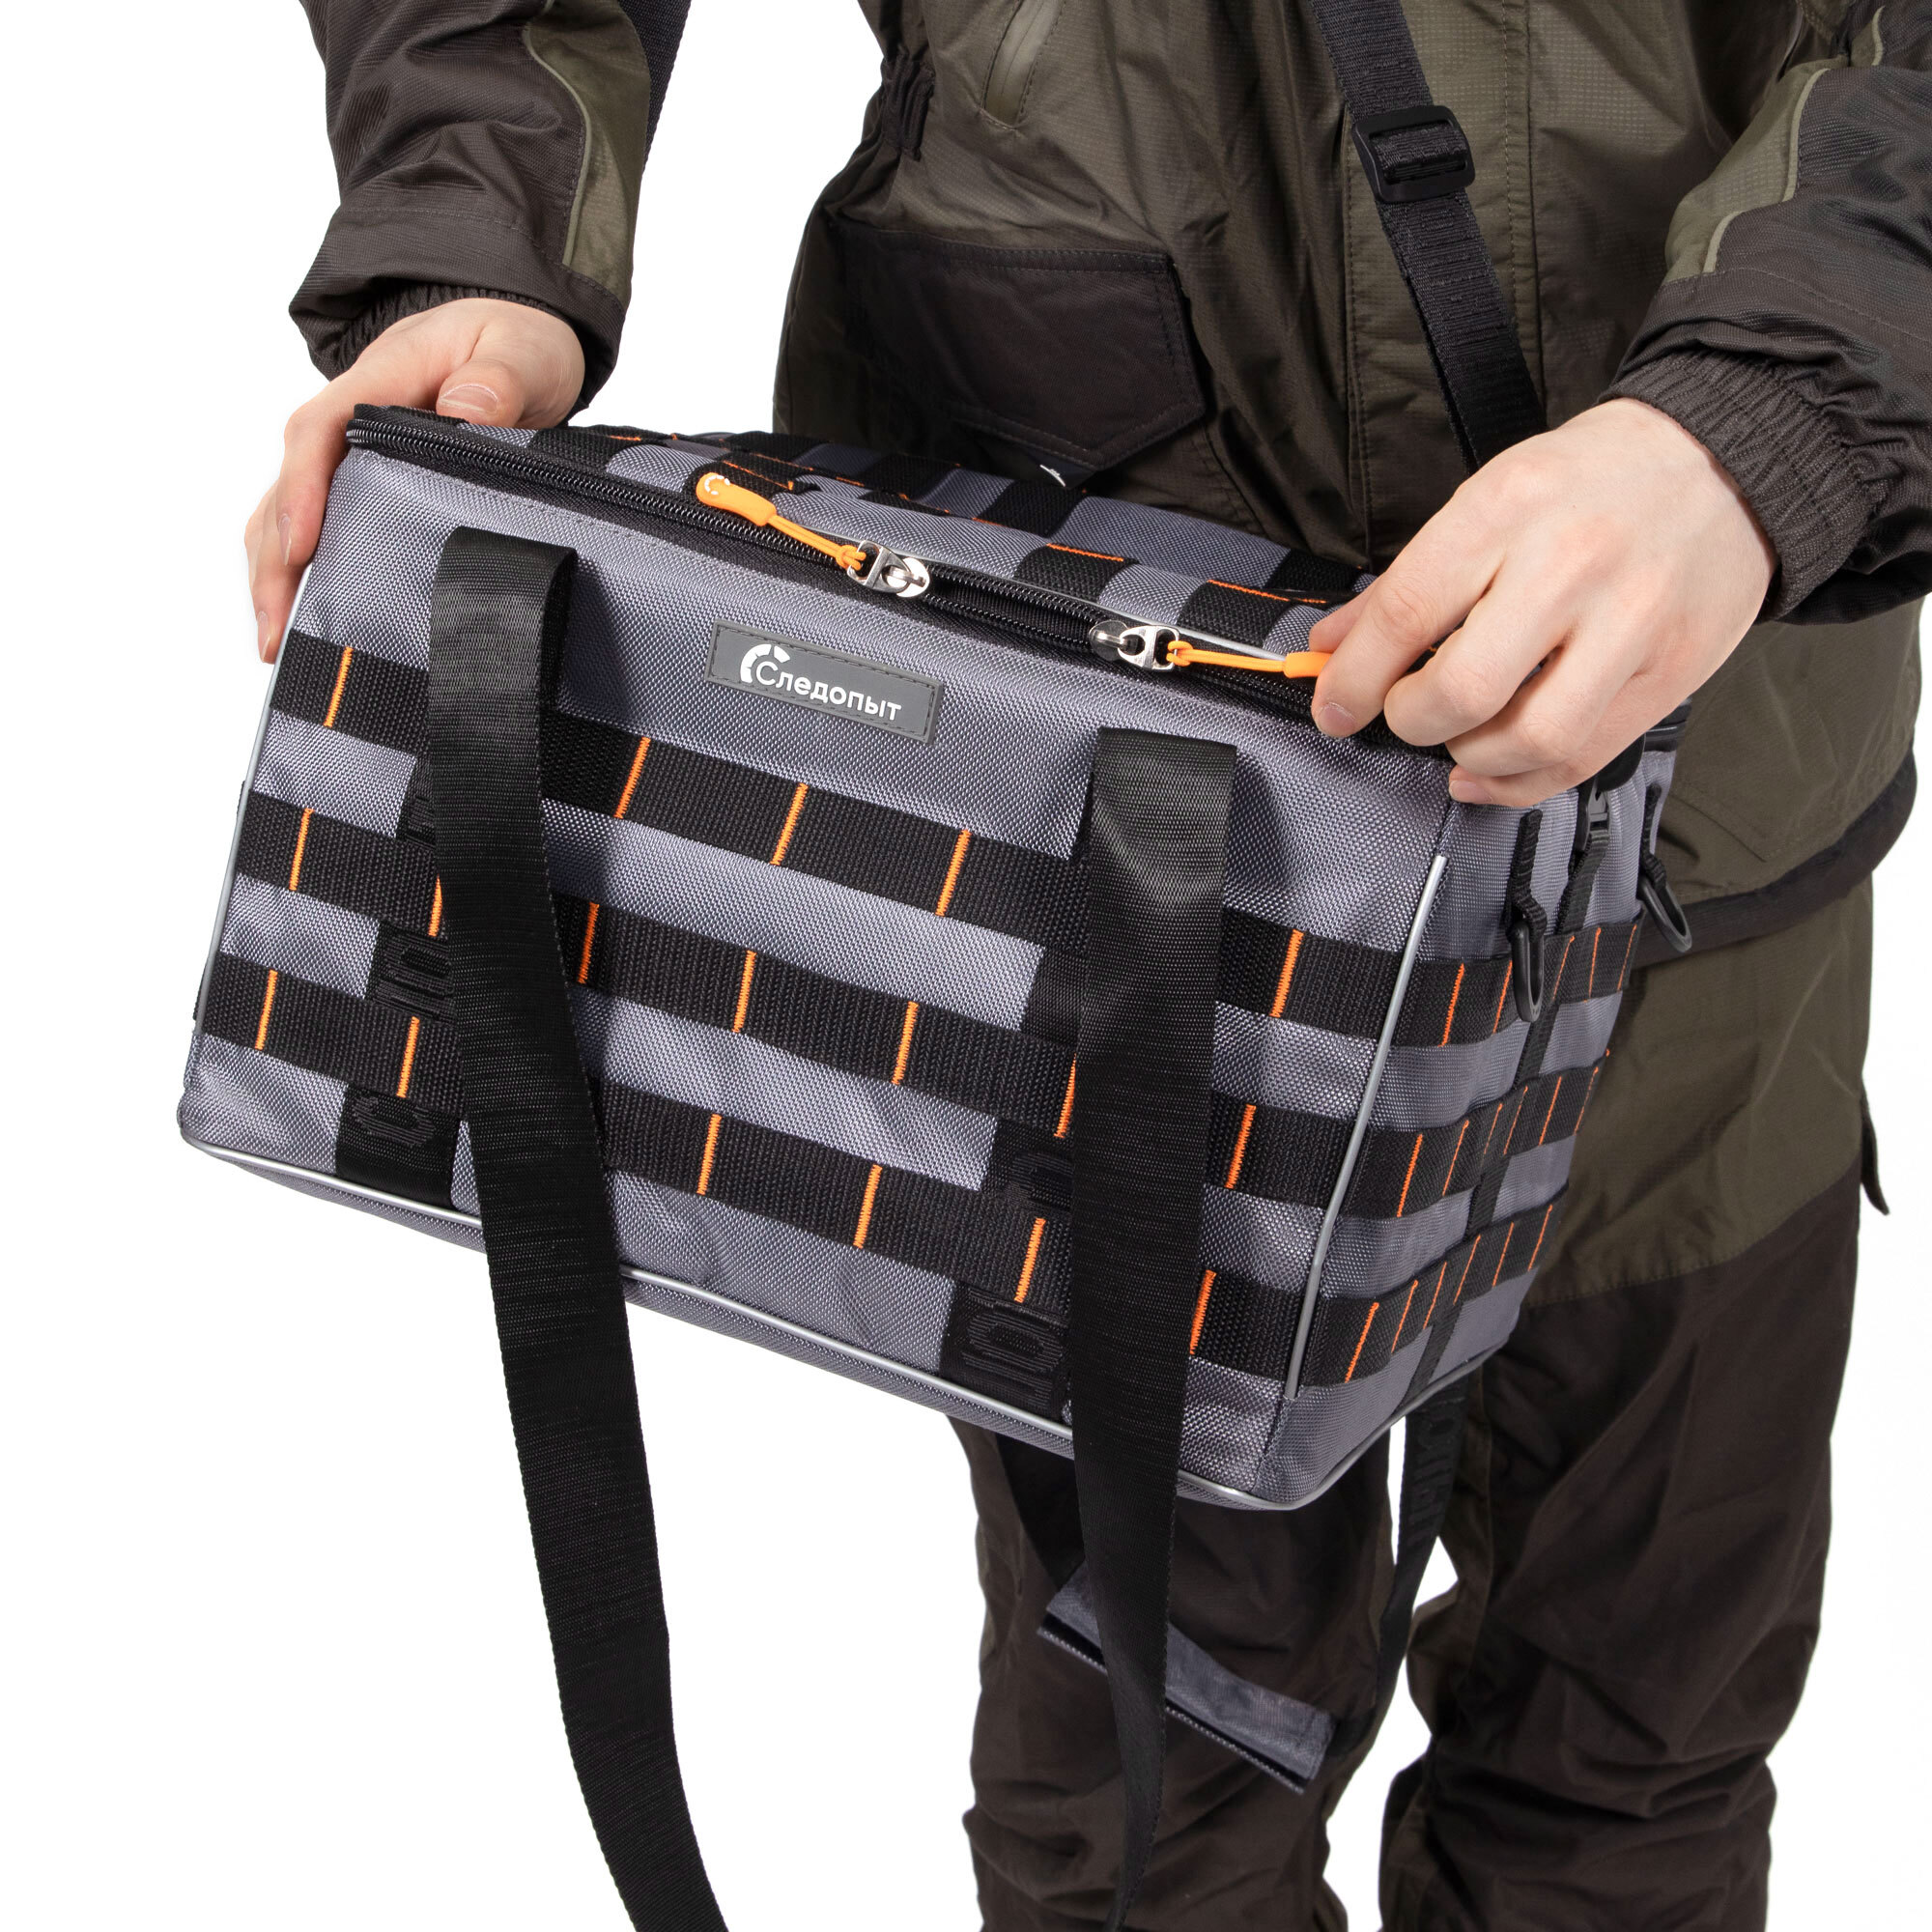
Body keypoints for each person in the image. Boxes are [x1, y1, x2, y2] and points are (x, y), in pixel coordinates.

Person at [244, 5, 1929, 1926]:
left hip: (1709, 764)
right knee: (1143, 1758)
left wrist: (1773, 412)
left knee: (1633, 1732)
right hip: (1065, 703)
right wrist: (479, 222)